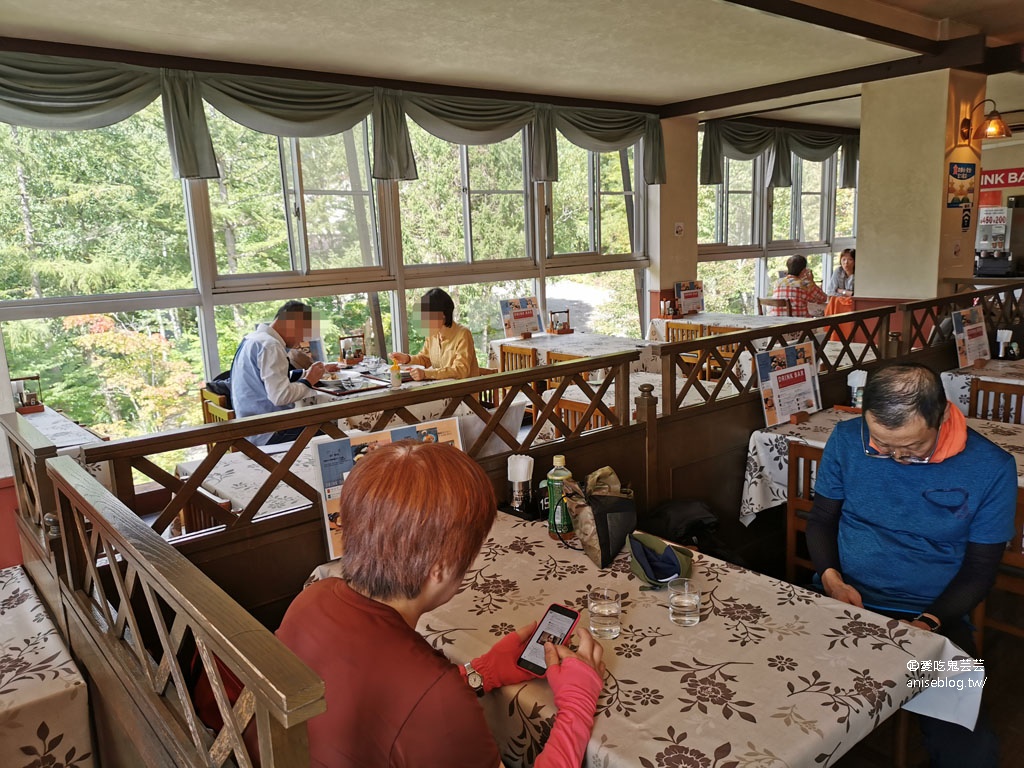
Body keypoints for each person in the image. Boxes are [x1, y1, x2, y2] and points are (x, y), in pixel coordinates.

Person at [276, 441, 605, 767]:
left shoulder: (312, 598)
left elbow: (385, 709)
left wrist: (481, 672)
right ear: (441, 569)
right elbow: (419, 704)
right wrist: (577, 705)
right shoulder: (436, 697)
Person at [806, 363, 1015, 767]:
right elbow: (821, 521)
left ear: (940, 416)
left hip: (934, 618)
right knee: (787, 700)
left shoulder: (992, 468)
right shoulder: (847, 439)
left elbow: (980, 569)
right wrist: (832, 582)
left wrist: (928, 623)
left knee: (968, 749)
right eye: (881, 445)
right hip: (842, 602)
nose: (894, 457)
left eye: (911, 448)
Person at [229, 300, 336, 445]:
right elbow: (280, 397)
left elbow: (270, 380)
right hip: (270, 432)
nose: (304, 339)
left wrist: (308, 374)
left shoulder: (253, 339)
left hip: (250, 427)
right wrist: (309, 381)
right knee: (333, 426)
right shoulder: (271, 346)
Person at [390, 288, 480, 381]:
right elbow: (425, 359)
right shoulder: (432, 334)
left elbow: (461, 370)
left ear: (442, 315)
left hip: (463, 392)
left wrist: (426, 374)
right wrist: (407, 359)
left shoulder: (463, 334)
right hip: (440, 388)